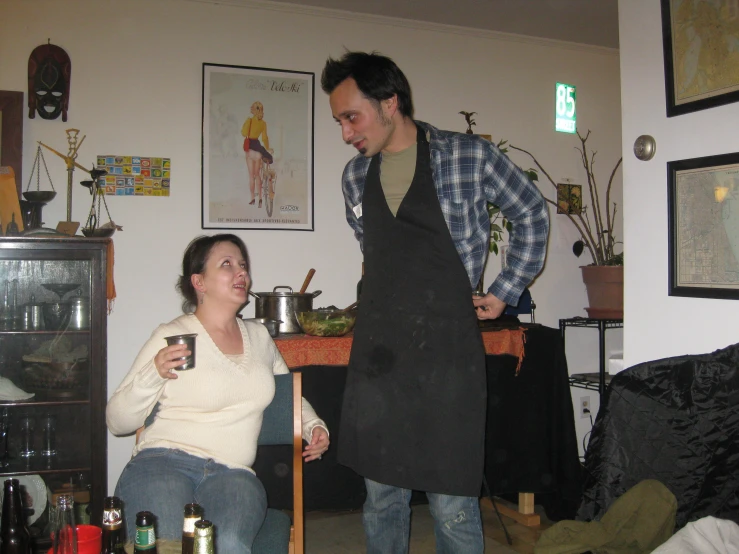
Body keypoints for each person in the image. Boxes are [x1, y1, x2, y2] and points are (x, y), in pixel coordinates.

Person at [321, 51, 549, 554]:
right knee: (381, 497)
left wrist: (505, 290)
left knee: (453, 503)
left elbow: (531, 212)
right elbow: (371, 247)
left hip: (448, 351)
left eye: (351, 117)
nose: (345, 133)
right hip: (380, 353)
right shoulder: (353, 178)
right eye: (339, 121)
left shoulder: (467, 156)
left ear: (389, 102)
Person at [107, 234, 329, 552]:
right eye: (227, 264)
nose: (242, 272)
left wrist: (313, 425)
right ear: (199, 281)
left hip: (233, 473)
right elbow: (118, 422)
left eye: (243, 265)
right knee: (166, 546)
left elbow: (287, 394)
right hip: (162, 462)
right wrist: (152, 374)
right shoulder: (174, 335)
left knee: (229, 545)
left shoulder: (260, 337)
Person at [242, 101, 274, 208]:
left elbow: (243, 133)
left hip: (250, 149)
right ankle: (260, 198)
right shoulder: (263, 123)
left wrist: (247, 123)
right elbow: (264, 138)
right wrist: (268, 147)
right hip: (258, 149)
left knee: (251, 176)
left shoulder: (250, 120)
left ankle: (252, 199)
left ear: (253, 110)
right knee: (258, 175)